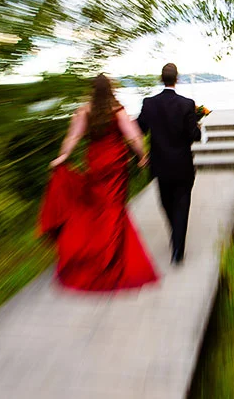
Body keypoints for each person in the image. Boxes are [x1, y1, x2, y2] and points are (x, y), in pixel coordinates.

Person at [36, 74, 158, 291]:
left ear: (92, 90)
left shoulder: (84, 111)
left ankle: (97, 255)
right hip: (116, 165)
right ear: (111, 89)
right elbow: (132, 136)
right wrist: (142, 155)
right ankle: (111, 260)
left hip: (96, 163)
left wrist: (63, 157)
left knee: (99, 209)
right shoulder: (118, 110)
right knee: (115, 208)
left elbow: (73, 137)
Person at [137, 63, 202, 265]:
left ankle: (177, 239)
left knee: (166, 204)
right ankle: (177, 250)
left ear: (161, 79)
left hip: (160, 166)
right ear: (177, 79)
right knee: (181, 205)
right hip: (182, 165)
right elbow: (195, 136)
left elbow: (139, 129)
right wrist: (198, 126)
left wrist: (140, 154)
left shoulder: (149, 104)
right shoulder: (187, 104)